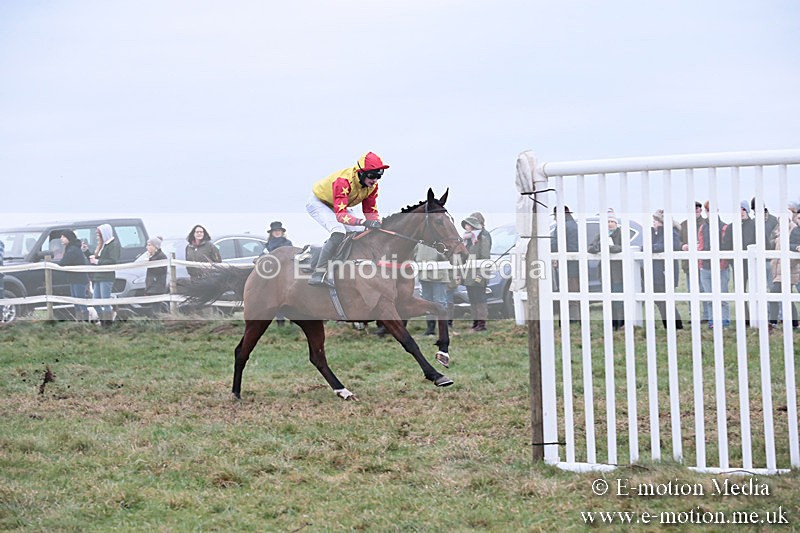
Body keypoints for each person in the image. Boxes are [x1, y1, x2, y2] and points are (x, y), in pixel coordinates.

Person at [305, 152, 388, 287]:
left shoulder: (372, 187)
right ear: (361, 173)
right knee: (338, 231)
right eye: (372, 175)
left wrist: (377, 223)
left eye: (379, 176)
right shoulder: (343, 181)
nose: (374, 180)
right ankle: (318, 273)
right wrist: (363, 222)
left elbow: (370, 211)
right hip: (319, 202)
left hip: (338, 205)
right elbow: (341, 216)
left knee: (363, 231)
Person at [698, 201, 732, 328]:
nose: (710, 212)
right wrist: (700, 263)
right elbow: (701, 246)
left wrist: (723, 263)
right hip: (705, 267)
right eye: (707, 210)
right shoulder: (703, 228)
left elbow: (727, 246)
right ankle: (713, 321)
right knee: (709, 296)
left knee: (722, 295)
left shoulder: (724, 227)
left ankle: (724, 321)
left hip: (721, 267)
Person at [588, 209, 624, 330]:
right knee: (608, 298)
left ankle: (621, 323)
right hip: (604, 271)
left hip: (618, 272)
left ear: (616, 223)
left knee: (618, 297)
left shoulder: (621, 233)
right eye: (607, 221)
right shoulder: (601, 234)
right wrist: (599, 247)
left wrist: (609, 248)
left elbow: (621, 247)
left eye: (612, 221)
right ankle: (612, 324)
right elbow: (591, 247)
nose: (609, 224)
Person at [768, 203, 800, 329]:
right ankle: (794, 323)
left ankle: (773, 322)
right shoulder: (778, 231)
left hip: (789, 269)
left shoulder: (793, 230)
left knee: (775, 294)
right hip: (778, 269)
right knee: (786, 297)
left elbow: (792, 246)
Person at [650, 210, 683, 329]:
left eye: (655, 220)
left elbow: (673, 245)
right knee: (660, 302)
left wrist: (653, 247)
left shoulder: (671, 232)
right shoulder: (655, 233)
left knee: (666, 301)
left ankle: (676, 326)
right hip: (656, 273)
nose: (653, 223)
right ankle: (669, 326)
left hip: (666, 273)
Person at [460, 212, 491, 332]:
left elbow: (485, 257)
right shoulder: (466, 239)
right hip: (468, 274)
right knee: (472, 298)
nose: (466, 227)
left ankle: (481, 323)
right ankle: (475, 322)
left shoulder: (482, 238)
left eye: (467, 224)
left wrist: (480, 275)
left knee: (480, 298)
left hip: (478, 274)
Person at [550, 205, 580, 322]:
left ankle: (572, 319)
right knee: (577, 292)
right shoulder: (574, 225)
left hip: (567, 265)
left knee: (568, 292)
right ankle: (577, 318)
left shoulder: (562, 226)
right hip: (577, 264)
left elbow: (555, 244)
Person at [415, 243, 451, 336]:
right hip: (424, 276)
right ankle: (430, 328)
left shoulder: (440, 242)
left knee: (440, 302)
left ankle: (443, 329)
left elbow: (447, 256)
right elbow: (415, 255)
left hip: (438, 276)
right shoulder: (420, 243)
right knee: (427, 302)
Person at [89, 223, 120, 326]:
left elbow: (113, 260)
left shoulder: (113, 245)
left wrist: (97, 262)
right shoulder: (104, 245)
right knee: (95, 301)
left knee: (105, 301)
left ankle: (107, 322)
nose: (97, 236)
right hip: (98, 275)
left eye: (99, 233)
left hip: (106, 276)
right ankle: (104, 320)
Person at [57, 230, 90, 321]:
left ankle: (85, 321)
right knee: (76, 301)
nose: (61, 239)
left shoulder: (73, 249)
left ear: (69, 238)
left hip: (79, 279)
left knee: (80, 301)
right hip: (74, 278)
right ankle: (80, 321)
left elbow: (64, 262)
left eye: (63, 237)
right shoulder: (71, 248)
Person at [680, 201, 705, 292]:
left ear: (700, 210)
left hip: (704, 263)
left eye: (696, 209)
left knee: (705, 291)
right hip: (689, 264)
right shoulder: (683, 225)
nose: (694, 211)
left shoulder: (706, 224)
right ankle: (692, 307)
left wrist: (701, 245)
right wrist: (682, 246)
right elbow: (677, 241)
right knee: (691, 291)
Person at [144, 236, 168, 315]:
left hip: (157, 286)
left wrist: (150, 264)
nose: (147, 247)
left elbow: (161, 271)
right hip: (151, 286)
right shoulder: (152, 257)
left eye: (149, 245)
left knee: (156, 308)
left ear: (155, 247)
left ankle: (158, 323)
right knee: (153, 307)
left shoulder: (161, 257)